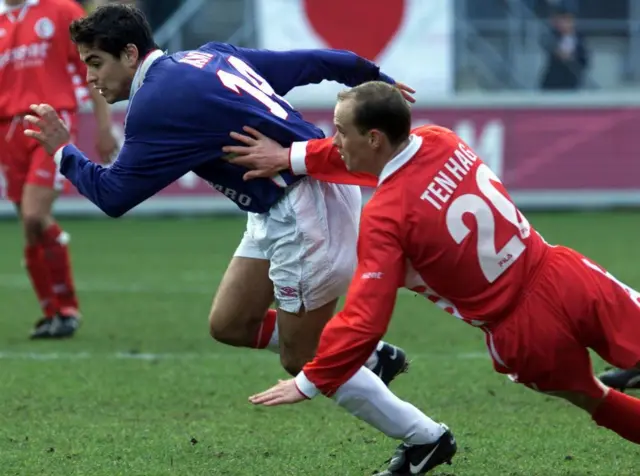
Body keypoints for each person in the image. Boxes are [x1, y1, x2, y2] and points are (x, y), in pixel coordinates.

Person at [221, 81, 640, 473]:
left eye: (340, 131)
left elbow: (366, 319)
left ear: (373, 139)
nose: (334, 141)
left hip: (521, 330)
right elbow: (377, 162)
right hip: (564, 275)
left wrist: (312, 379)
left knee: (592, 397)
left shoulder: (385, 217)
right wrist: (294, 157)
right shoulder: (442, 139)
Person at [23, 5, 423, 404]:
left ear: (130, 54)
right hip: (278, 201)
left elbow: (113, 195)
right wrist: (377, 79)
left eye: (95, 63)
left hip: (305, 205)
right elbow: (314, 62)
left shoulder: (156, 101)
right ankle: (373, 357)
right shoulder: (212, 55)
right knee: (231, 323)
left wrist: (62, 150)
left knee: (300, 357)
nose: (90, 77)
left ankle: (424, 436)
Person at [0, 0, 117, 338]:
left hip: (50, 121)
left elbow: (94, 65)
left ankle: (65, 308)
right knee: (30, 227)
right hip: (7, 130)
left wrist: (104, 125)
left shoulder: (61, 11)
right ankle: (54, 312)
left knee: (36, 216)